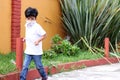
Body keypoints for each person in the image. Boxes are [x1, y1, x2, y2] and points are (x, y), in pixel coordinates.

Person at [20, 7, 48, 80]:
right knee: (25, 66)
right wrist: (25, 38)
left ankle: (44, 77)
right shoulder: (27, 26)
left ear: (35, 19)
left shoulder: (37, 27)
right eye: (28, 18)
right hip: (28, 51)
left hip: (36, 52)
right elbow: (30, 35)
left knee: (39, 66)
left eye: (32, 18)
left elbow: (44, 35)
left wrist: (38, 41)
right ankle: (22, 78)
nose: (30, 20)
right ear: (26, 19)